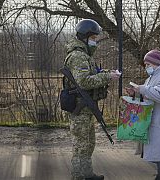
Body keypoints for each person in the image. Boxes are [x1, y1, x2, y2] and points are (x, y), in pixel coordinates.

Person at [63, 19, 121, 180]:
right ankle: (79, 176)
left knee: (88, 144)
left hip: (86, 107)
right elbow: (84, 81)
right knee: (81, 146)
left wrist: (106, 73)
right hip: (79, 108)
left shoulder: (85, 55)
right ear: (84, 37)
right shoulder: (78, 56)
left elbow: (93, 73)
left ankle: (86, 174)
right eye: (94, 38)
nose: (95, 42)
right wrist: (107, 76)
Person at [127, 49, 160, 180]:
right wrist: (135, 93)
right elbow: (148, 94)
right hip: (158, 121)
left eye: (148, 64)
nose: (146, 67)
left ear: (156, 63)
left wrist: (142, 89)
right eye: (145, 65)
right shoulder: (153, 77)